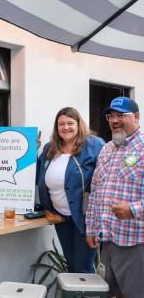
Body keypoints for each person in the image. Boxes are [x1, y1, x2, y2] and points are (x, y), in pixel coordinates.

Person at [86, 97, 144, 298]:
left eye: (121, 115)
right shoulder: (107, 148)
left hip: (136, 243)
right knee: (111, 293)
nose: (114, 120)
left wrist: (133, 209)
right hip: (107, 240)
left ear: (136, 117)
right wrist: (92, 228)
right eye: (111, 116)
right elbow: (95, 192)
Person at [37, 107, 104, 273]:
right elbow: (37, 173)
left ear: (79, 124)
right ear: (56, 127)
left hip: (84, 218)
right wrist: (31, 150)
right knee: (71, 264)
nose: (65, 127)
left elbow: (105, 178)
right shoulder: (49, 148)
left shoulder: (94, 145)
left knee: (83, 267)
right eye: (61, 124)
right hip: (60, 217)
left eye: (70, 123)